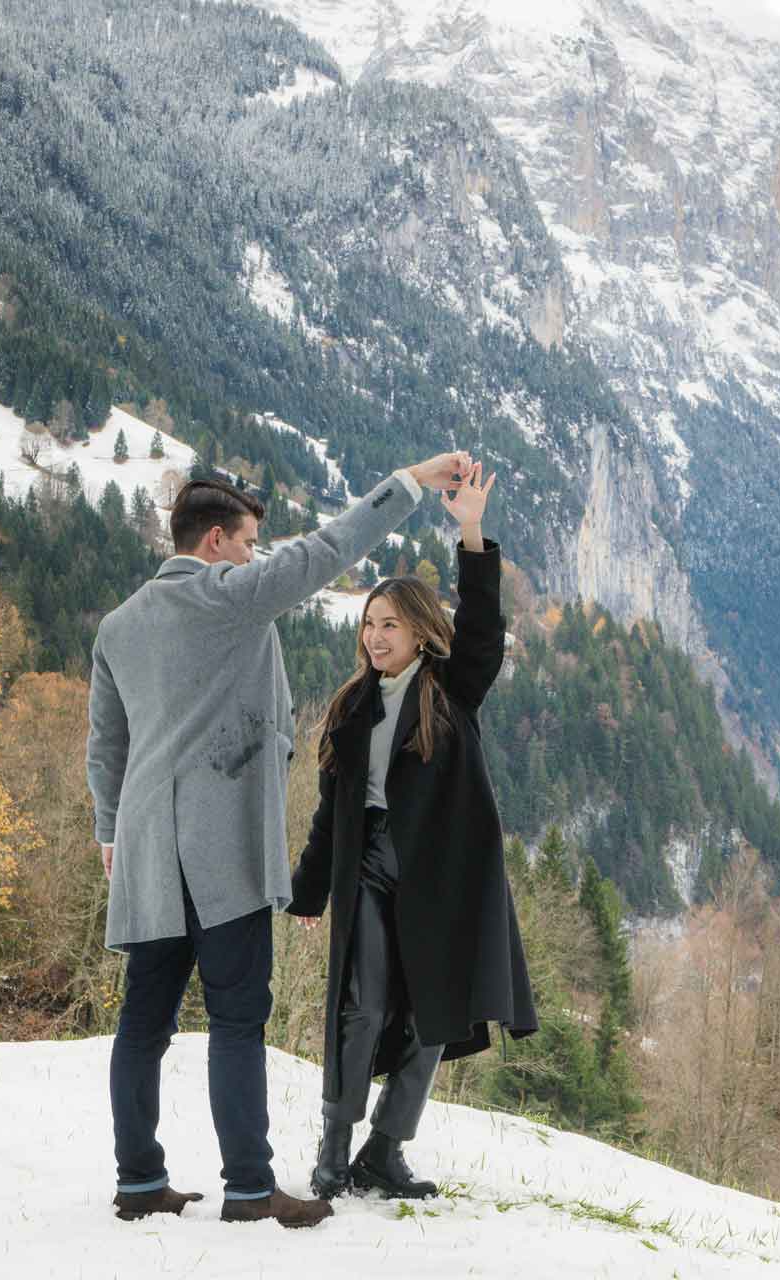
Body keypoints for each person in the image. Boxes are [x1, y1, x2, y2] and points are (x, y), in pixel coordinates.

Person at [87, 451, 471, 1228]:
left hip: (145, 855)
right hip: (220, 850)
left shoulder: (118, 626)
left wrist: (107, 832)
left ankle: (138, 1183)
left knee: (142, 1023)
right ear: (220, 542)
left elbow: (106, 748)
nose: (257, 557)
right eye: (251, 544)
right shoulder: (227, 597)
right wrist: (408, 482)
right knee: (235, 1019)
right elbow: (327, 549)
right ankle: (251, 1190)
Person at [289, 461, 538, 1200]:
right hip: (368, 866)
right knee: (361, 1005)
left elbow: (485, 632)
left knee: (435, 1012)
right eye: (368, 624)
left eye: (389, 624)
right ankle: (334, 1151)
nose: (374, 636)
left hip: (440, 876)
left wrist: (470, 528)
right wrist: (307, 893)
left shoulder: (451, 691)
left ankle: (385, 1151)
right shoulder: (350, 708)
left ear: (421, 630)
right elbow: (330, 811)